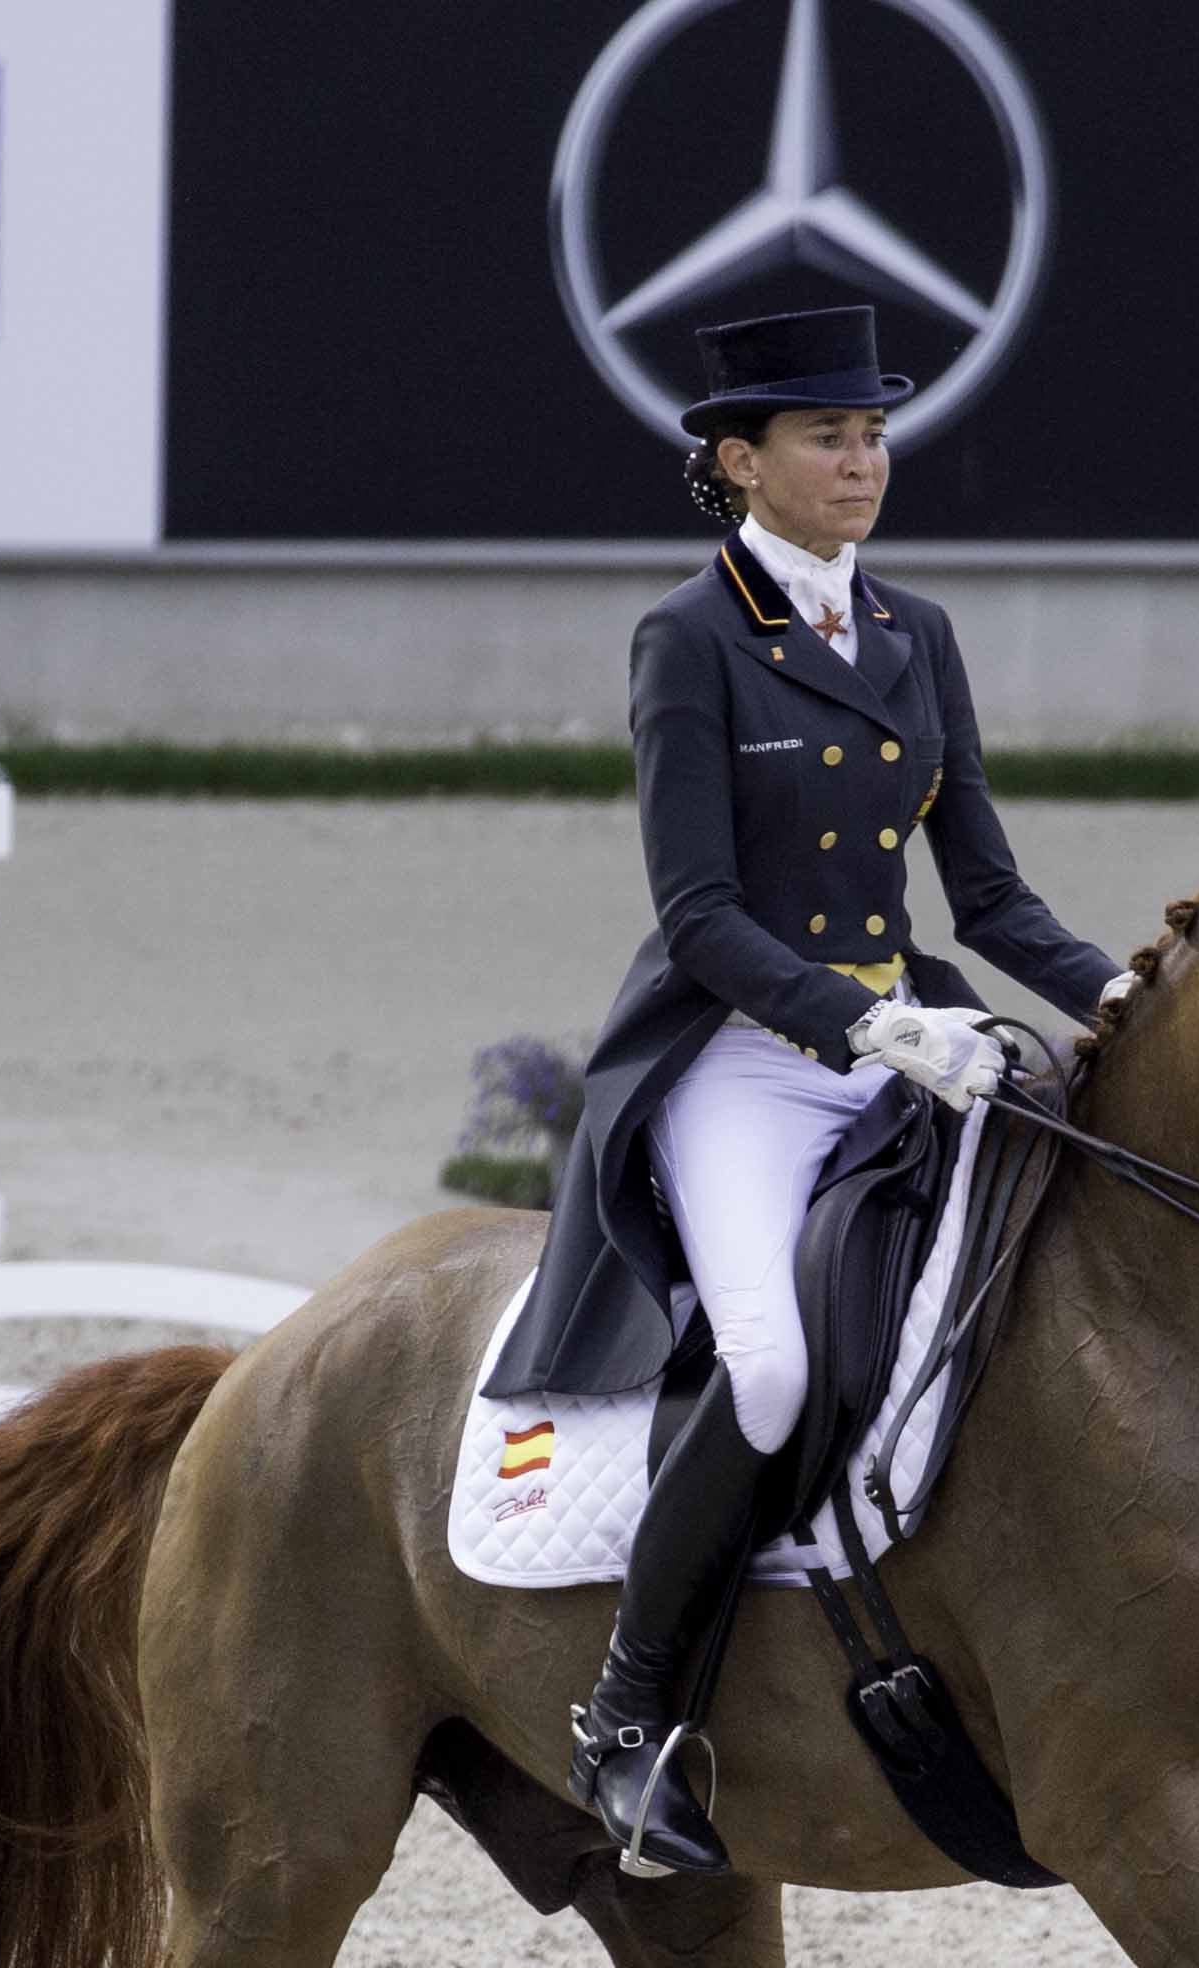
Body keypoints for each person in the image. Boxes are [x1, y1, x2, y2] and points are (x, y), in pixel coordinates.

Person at [480, 304, 1134, 1880]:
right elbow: (700, 914)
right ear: (740, 460)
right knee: (768, 1372)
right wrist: (866, 1026)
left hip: (918, 1036)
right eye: (830, 438)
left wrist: (1125, 996)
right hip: (750, 1067)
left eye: (873, 434)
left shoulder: (918, 635)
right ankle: (628, 1721)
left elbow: (985, 895)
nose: (864, 460)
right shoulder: (689, 639)